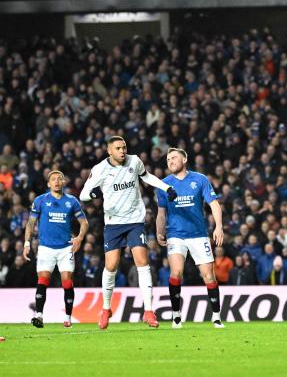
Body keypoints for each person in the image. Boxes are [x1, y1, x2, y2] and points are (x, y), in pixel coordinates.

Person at [80, 136, 177, 329]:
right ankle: (106, 309)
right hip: (113, 223)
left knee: (142, 261)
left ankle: (149, 311)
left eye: (124, 147)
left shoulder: (134, 161)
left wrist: (167, 188)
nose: (122, 151)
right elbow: (83, 194)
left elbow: (147, 176)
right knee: (111, 265)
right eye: (118, 148)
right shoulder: (100, 169)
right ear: (109, 151)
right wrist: (94, 194)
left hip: (135, 221)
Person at [155, 148, 225, 329]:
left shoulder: (199, 179)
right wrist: (159, 230)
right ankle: (176, 315)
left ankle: (216, 316)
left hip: (198, 235)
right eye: (168, 159)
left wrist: (218, 226)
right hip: (175, 235)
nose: (170, 161)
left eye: (174, 158)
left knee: (209, 276)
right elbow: (161, 212)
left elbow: (214, 204)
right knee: (176, 272)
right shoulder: (163, 184)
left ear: (184, 159)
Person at [24, 171, 88, 328]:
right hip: (45, 248)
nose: (57, 181)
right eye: (53, 179)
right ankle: (39, 316)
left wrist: (79, 238)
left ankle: (68, 317)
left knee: (67, 281)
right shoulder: (40, 200)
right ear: (48, 184)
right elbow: (30, 224)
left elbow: (84, 222)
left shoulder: (71, 201)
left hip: (66, 248)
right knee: (43, 280)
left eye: (59, 179)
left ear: (64, 182)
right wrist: (26, 243)